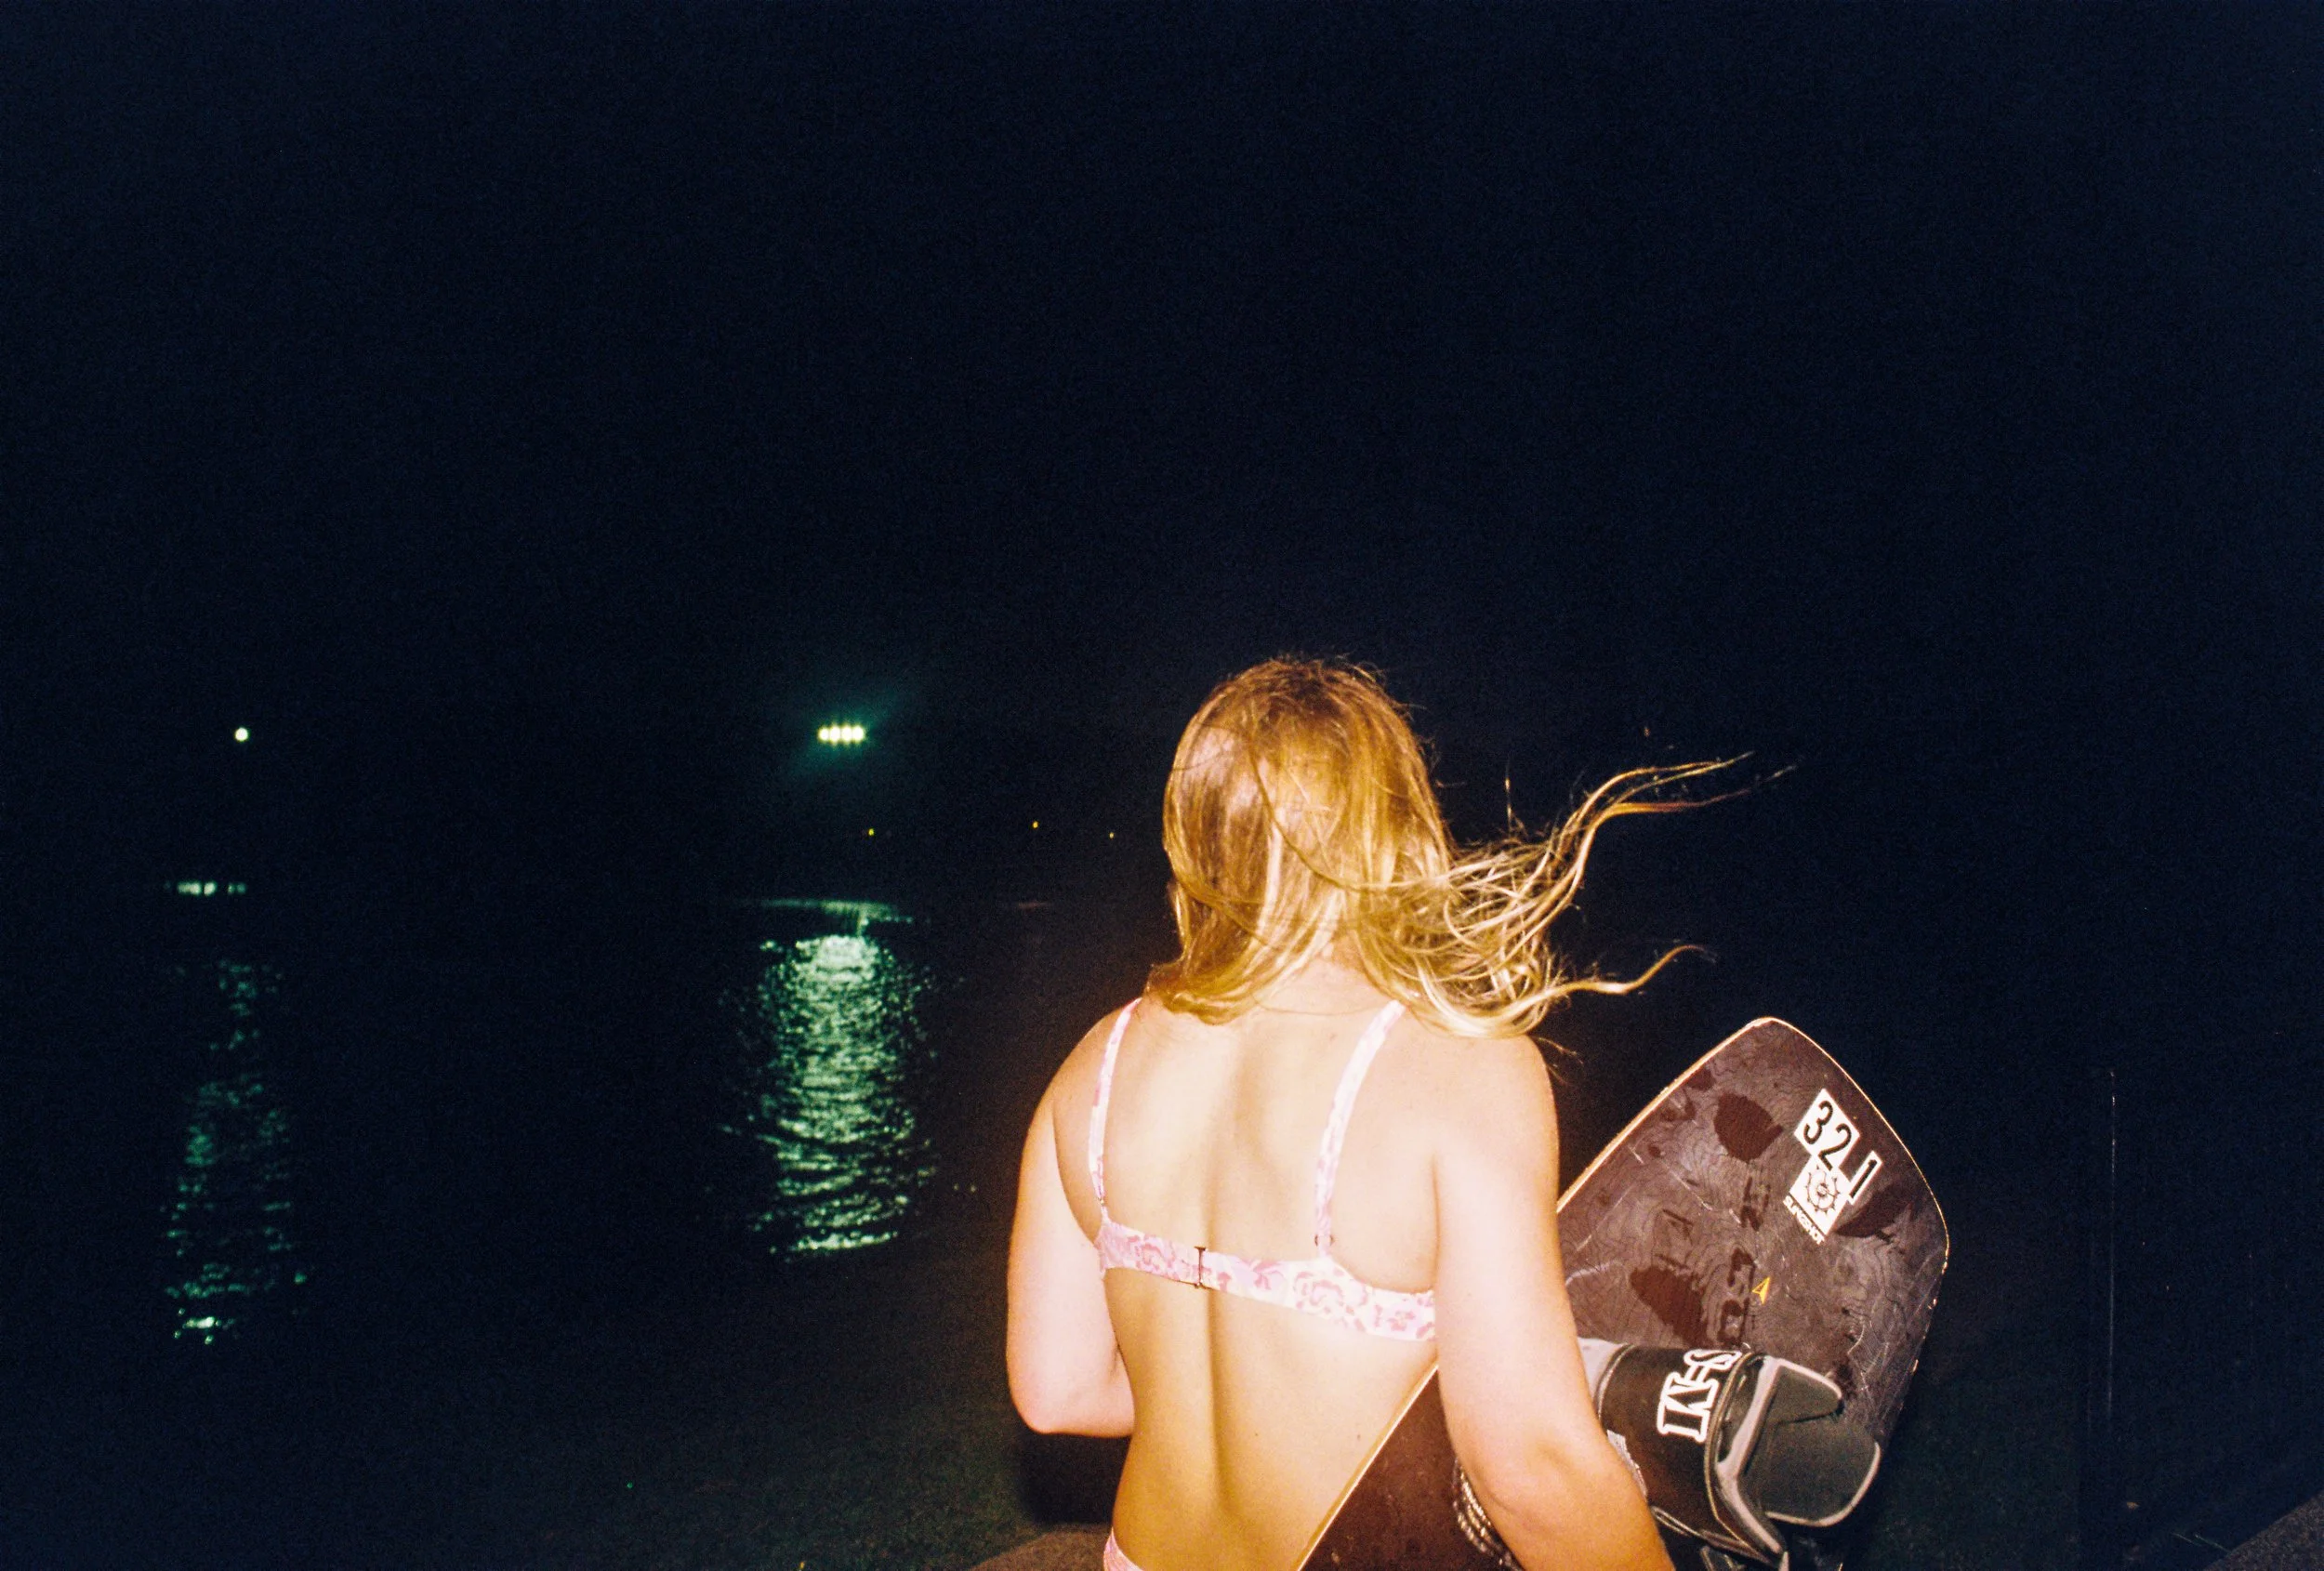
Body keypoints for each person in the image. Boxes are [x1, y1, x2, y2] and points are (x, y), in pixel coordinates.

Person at [1007, 657, 1710, 1571]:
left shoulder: (1091, 1069)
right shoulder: (1459, 1072)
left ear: (1196, 831)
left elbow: (1057, 1389)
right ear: (1397, 824)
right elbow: (1529, 1466)